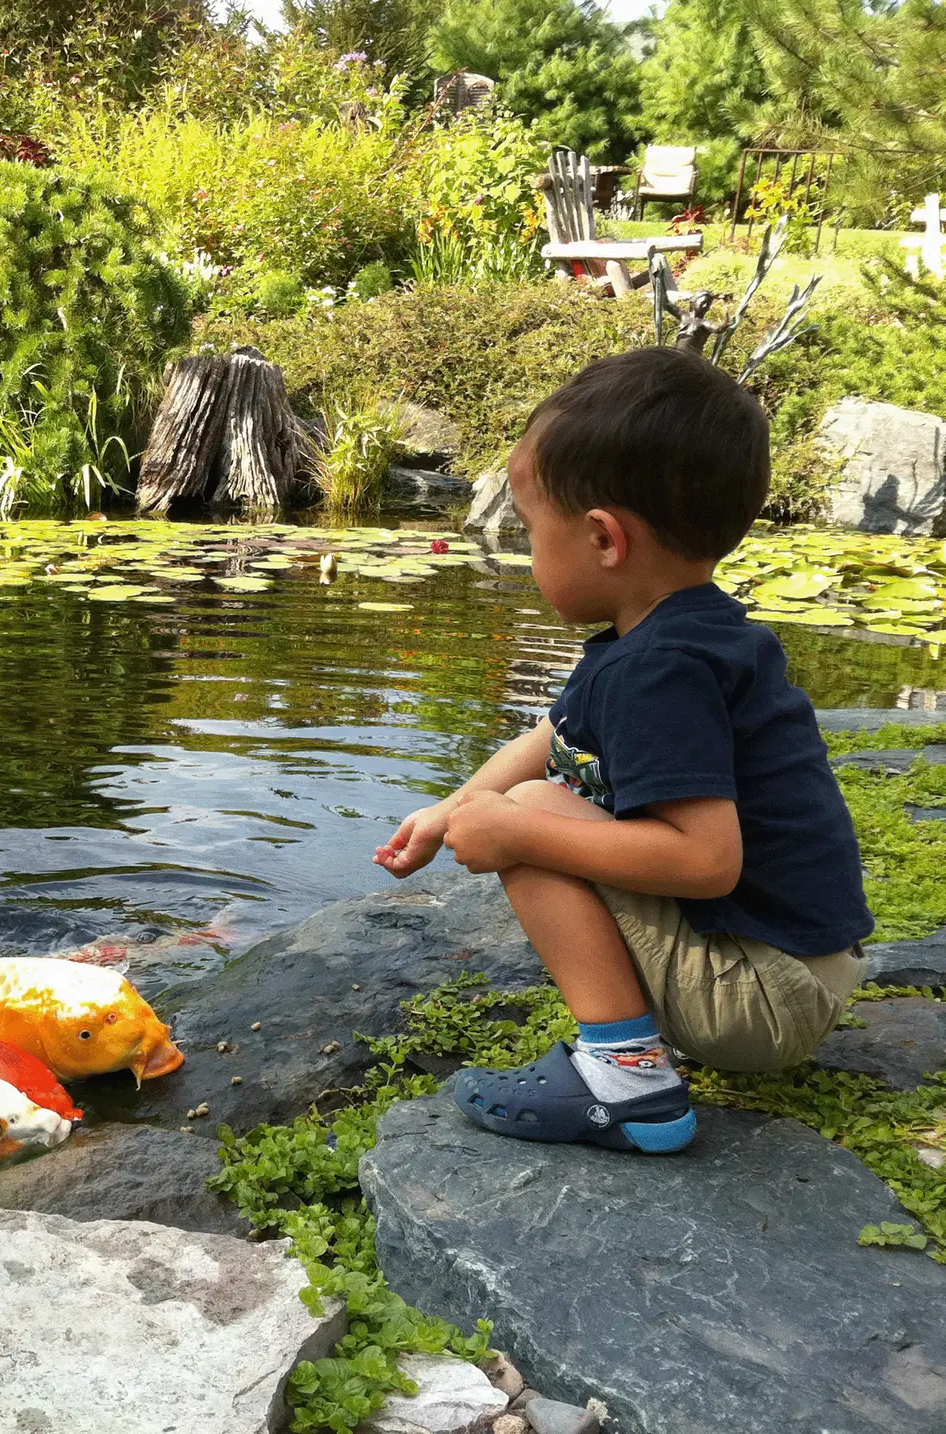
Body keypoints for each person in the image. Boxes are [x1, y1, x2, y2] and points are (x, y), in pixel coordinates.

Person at [373, 347, 872, 1154]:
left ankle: (630, 1078)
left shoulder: (658, 670)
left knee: (531, 815)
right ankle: (631, 1054)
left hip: (764, 996)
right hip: (797, 971)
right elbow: (549, 739)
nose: (525, 554)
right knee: (523, 799)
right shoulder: (682, 633)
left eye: (533, 530)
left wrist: (514, 832)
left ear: (604, 538)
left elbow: (707, 861)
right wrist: (447, 811)